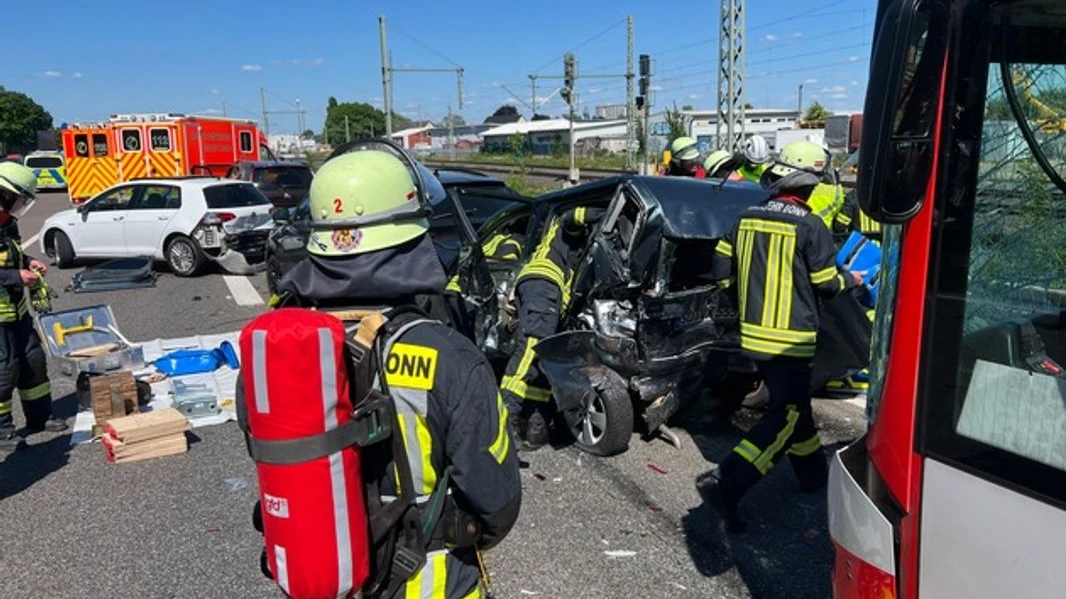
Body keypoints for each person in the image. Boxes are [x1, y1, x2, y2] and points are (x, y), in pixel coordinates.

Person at [267, 148, 521, 599]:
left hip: (322, 576)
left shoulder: (273, 349)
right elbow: (495, 501)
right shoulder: (449, 357)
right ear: (411, 241)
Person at [701, 140, 862, 532]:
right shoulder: (809, 225)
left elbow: (721, 261)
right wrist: (852, 279)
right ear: (807, 185)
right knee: (785, 416)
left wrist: (737, 289)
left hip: (753, 336)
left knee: (796, 408)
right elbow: (825, 285)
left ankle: (811, 476)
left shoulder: (746, 216)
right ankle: (728, 482)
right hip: (791, 339)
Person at [500, 206, 603, 451]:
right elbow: (572, 216)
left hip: (546, 290)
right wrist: (603, 215)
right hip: (543, 282)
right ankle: (503, 426)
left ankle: (536, 427)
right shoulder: (564, 224)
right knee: (528, 354)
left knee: (541, 362)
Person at [0, 162, 66, 451]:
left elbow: (11, 255)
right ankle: (2, 430)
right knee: (4, 370)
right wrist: (16, 276)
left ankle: (40, 416)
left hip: (18, 310)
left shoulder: (7, 223)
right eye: (19, 199)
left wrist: (28, 263)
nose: (20, 206)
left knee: (33, 361)